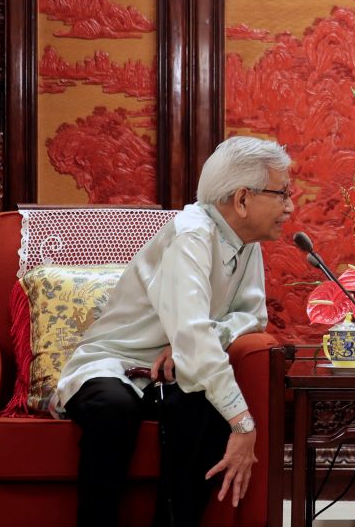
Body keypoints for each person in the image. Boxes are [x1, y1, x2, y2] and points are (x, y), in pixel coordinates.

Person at [56, 136, 294, 527]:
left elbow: (252, 318)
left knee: (205, 406)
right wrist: (243, 423)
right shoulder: (192, 236)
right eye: (282, 193)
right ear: (242, 199)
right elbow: (192, 335)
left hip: (168, 370)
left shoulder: (247, 241)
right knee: (114, 410)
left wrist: (192, 343)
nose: (289, 206)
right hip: (114, 363)